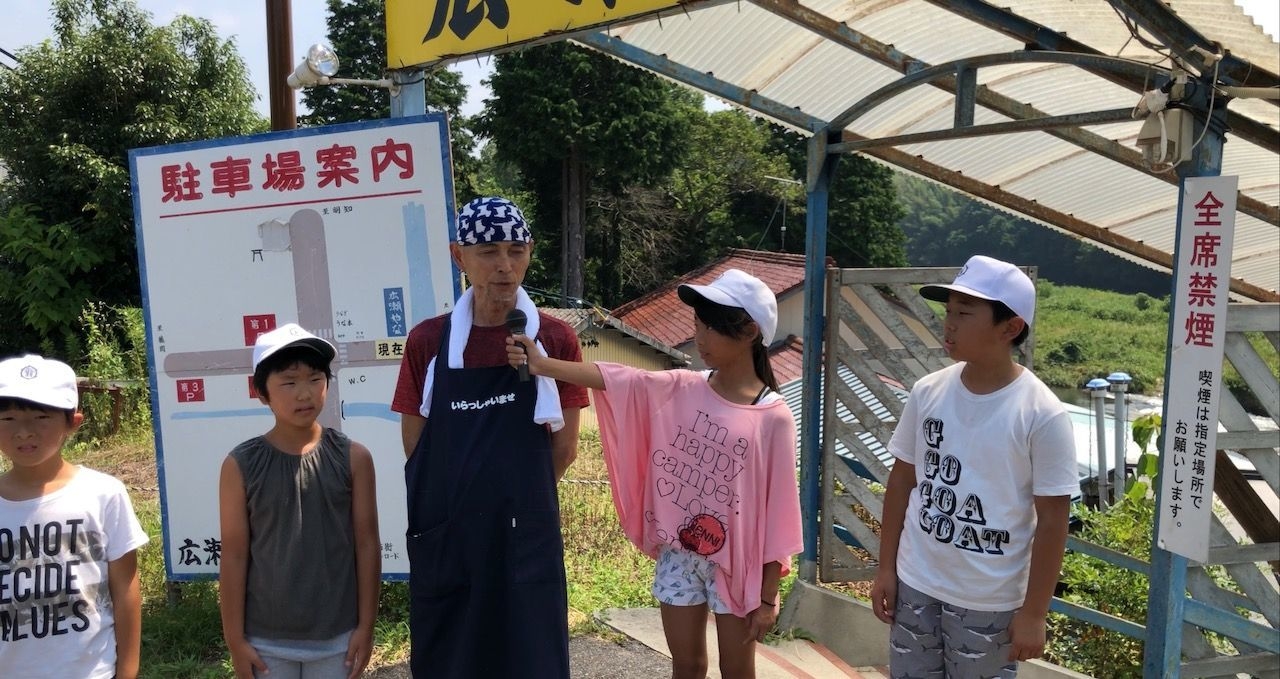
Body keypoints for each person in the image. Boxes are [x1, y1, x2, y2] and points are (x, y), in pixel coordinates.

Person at [507, 268, 803, 679]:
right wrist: (542, 365)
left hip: (739, 564)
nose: (700, 338)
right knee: (687, 665)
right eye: (698, 325)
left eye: (711, 327)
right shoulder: (683, 386)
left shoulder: (773, 416)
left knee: (737, 670)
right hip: (679, 554)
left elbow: (779, 514)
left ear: (751, 331)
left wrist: (768, 597)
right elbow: (619, 379)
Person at [391, 196, 588, 677]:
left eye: (516, 251)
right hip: (449, 534)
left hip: (524, 532)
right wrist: (459, 501)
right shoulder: (428, 342)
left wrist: (516, 498)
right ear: (459, 256)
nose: (505, 265)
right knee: (451, 657)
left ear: (530, 253)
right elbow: (415, 444)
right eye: (488, 252)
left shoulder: (555, 340)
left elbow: (564, 448)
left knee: (529, 656)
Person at [869, 255, 1077, 678]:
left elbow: (1054, 520)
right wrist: (886, 568)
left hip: (989, 602)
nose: (949, 324)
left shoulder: (1041, 414)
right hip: (915, 583)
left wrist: (1034, 613)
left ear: (1010, 327)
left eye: (964, 314)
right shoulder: (928, 392)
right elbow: (903, 480)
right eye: (948, 312)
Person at [218, 323, 381, 679]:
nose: (304, 393)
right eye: (289, 382)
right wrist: (235, 640)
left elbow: (367, 545)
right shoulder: (240, 465)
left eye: (315, 379)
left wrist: (365, 627)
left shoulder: (354, 458)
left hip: (338, 638)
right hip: (265, 642)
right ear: (261, 391)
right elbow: (233, 554)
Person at [0, 354, 149, 679]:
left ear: (73, 422)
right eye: (8, 418)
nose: (23, 432)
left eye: (41, 417)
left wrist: (128, 670)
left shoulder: (103, 493)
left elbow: (125, 587)